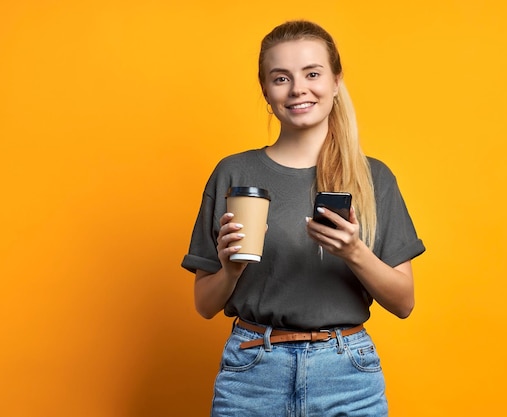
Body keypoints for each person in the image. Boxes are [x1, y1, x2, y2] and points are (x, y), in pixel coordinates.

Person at [182, 20, 425, 417]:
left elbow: (404, 303)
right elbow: (204, 305)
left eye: (312, 73)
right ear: (265, 90)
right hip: (251, 372)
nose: (298, 89)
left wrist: (354, 252)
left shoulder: (373, 177)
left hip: (347, 374)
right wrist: (229, 270)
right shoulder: (234, 174)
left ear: (335, 80)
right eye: (281, 78)